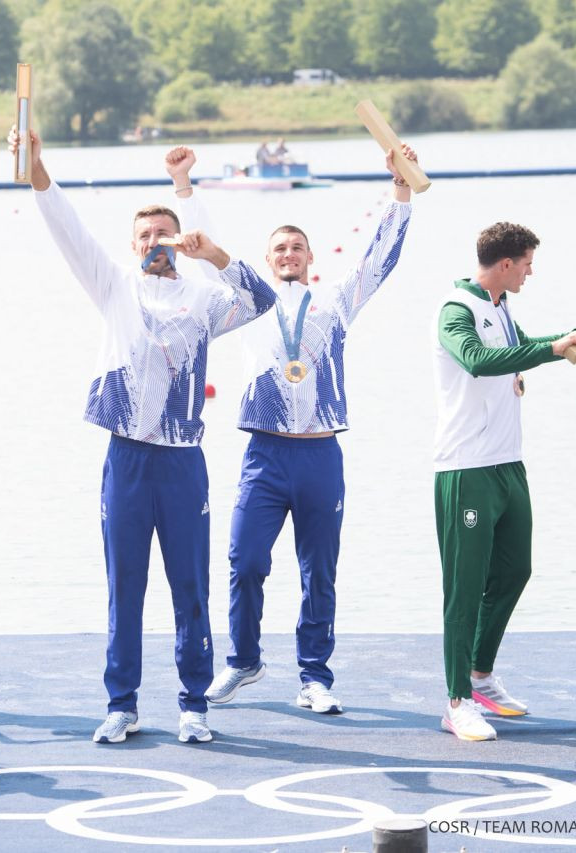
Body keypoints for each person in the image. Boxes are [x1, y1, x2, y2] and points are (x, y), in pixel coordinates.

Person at [8, 125, 276, 745]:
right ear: (133, 246)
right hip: (125, 459)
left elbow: (262, 301)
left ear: (179, 242)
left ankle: (194, 705)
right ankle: (121, 704)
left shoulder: (205, 299)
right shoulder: (114, 287)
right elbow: (67, 229)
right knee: (124, 586)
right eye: (145, 236)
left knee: (190, 588)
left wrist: (215, 254)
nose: (155, 242)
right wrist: (38, 168)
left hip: (182, 462)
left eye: (164, 233)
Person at [164, 144, 416, 715]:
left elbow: (379, 260)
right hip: (266, 455)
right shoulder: (248, 303)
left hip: (320, 454)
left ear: (309, 257)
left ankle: (314, 676)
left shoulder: (335, 301)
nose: (288, 254)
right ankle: (243, 661)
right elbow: (206, 254)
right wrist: (183, 185)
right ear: (267, 258)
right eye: (279, 248)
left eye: (297, 247)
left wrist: (400, 189)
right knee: (245, 561)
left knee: (318, 571)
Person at [434, 223, 576, 741]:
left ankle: (480, 675)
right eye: (527, 263)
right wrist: (553, 349)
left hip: (508, 462)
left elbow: (527, 346)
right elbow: (477, 361)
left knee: (515, 571)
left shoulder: (500, 307)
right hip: (466, 467)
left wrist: (572, 337)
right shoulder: (457, 309)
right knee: (464, 588)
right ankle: (456, 700)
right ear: (506, 264)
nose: (531, 271)